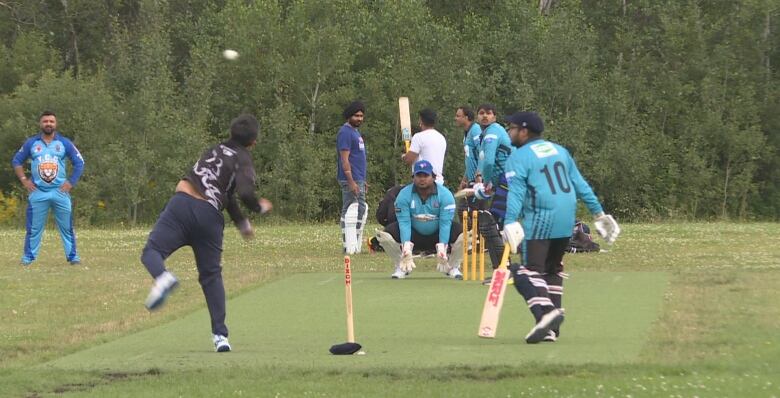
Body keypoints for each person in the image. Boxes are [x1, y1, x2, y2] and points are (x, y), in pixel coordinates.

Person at [140, 114, 272, 353]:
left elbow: (228, 193)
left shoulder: (213, 150)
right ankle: (220, 336)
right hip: (209, 216)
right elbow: (241, 192)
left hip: (181, 204)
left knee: (152, 251)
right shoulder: (243, 159)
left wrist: (241, 221)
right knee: (211, 276)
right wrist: (257, 208)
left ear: (231, 133)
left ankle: (163, 276)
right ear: (253, 141)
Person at [500, 111, 620, 344]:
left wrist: (509, 220)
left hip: (541, 217)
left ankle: (547, 312)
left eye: (511, 128)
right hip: (567, 219)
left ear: (524, 131)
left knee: (525, 271)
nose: (509, 132)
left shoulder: (518, 157)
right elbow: (580, 184)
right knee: (552, 270)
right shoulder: (560, 151)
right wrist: (598, 213)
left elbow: (516, 192)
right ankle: (551, 330)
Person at [11, 111, 85, 266]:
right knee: (34, 228)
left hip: (60, 192)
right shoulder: (32, 143)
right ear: (40, 123)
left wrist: (70, 182)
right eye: (45, 121)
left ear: (55, 124)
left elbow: (80, 162)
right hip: (38, 192)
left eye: (51, 121)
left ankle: (73, 257)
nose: (48, 124)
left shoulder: (64, 143)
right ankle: (28, 258)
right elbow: (17, 161)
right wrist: (24, 180)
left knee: (66, 227)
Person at [374, 160, 464, 279]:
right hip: (414, 233)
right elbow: (404, 223)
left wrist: (443, 246)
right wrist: (406, 247)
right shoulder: (403, 195)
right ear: (413, 177)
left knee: (465, 234)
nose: (422, 179)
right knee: (385, 236)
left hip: (437, 233)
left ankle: (452, 266)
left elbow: (445, 224)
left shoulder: (446, 195)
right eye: (419, 176)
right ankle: (401, 265)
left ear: (433, 177)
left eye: (426, 175)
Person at [472, 103, 513, 276]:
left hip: (509, 180)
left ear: (495, 117)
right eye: (481, 113)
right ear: (477, 117)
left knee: (490, 225)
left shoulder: (493, 132)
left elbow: (488, 162)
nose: (485, 116)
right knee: (499, 226)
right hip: (508, 181)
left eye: (489, 113)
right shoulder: (486, 134)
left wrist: (485, 183)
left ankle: (503, 271)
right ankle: (505, 270)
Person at [337, 101, 368, 254]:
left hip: (359, 178)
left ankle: (353, 243)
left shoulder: (355, 132)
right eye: (356, 116)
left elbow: (358, 158)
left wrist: (363, 180)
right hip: (351, 179)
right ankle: (348, 244)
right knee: (351, 209)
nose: (359, 118)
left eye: (361, 116)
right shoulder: (345, 132)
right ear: (349, 116)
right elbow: (345, 159)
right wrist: (351, 181)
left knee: (360, 209)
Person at [401, 108, 446, 184]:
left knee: (394, 193)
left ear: (421, 121)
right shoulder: (441, 138)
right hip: (439, 182)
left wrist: (404, 156)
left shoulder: (418, 137)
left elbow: (409, 160)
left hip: (423, 181)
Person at [454, 105, 485, 215]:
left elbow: (482, 153)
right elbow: (470, 160)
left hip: (479, 181)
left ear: (466, 118)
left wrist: (479, 175)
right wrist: (464, 179)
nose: (455, 118)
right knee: (464, 211)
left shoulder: (475, 130)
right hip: (471, 180)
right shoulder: (466, 134)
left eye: (458, 116)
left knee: (475, 213)